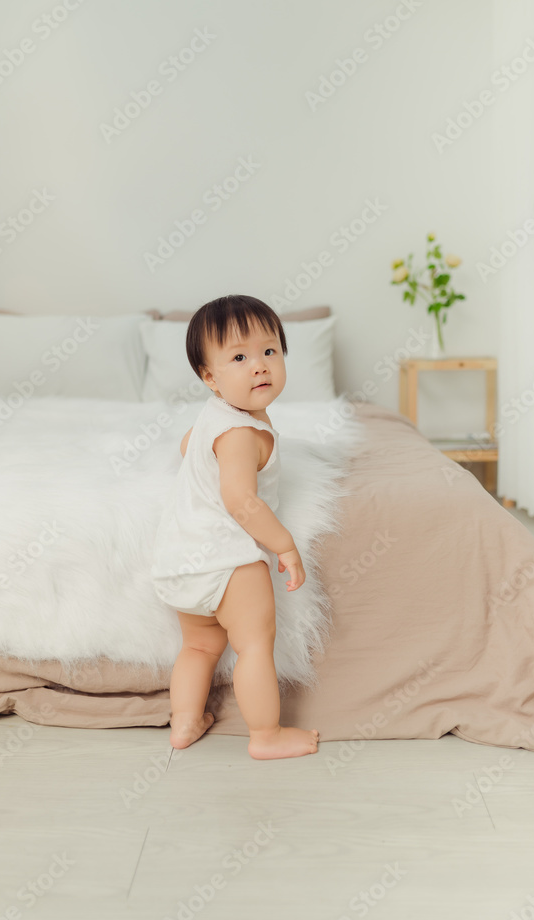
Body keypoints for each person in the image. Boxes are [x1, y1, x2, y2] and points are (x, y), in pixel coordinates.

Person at [151, 294, 320, 760]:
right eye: (240, 358)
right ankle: (266, 736)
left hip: (180, 559)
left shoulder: (213, 416)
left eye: (270, 352)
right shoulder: (243, 434)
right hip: (227, 560)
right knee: (253, 648)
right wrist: (283, 545)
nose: (260, 367)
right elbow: (241, 502)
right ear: (210, 378)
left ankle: (184, 722)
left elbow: (190, 448)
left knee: (200, 648)